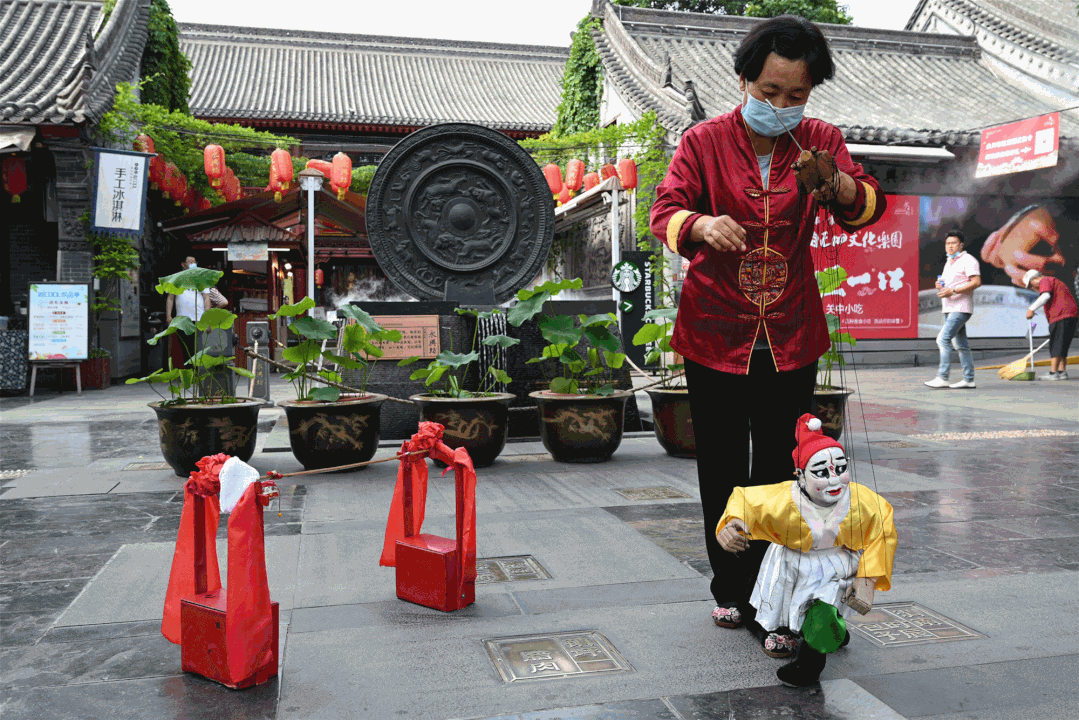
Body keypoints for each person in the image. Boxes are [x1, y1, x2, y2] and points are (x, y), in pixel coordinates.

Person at [649, 15, 887, 658]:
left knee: (786, 467)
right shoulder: (703, 141)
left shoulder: (820, 140)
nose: (781, 105)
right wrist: (701, 225)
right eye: (769, 91)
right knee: (723, 465)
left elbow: (866, 205)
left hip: (791, 326)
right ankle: (731, 587)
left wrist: (837, 183)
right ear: (745, 81)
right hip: (714, 328)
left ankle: (778, 595)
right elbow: (663, 211)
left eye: (796, 95)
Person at [716, 414, 896, 687]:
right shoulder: (783, 498)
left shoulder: (862, 499)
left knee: (822, 611)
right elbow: (745, 499)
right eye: (821, 472)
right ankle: (833, 630)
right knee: (799, 610)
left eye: (841, 469)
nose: (834, 480)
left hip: (836, 562)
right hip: (793, 563)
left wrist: (867, 577)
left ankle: (811, 663)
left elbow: (882, 530)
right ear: (800, 475)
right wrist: (731, 524)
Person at [924, 231, 981, 389]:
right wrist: (940, 285)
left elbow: (976, 282)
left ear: (961, 245)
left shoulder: (968, 260)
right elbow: (950, 284)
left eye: (953, 243)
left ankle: (943, 377)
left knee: (942, 339)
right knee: (961, 345)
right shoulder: (949, 262)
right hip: (949, 307)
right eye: (948, 243)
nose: (950, 246)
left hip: (961, 307)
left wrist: (953, 291)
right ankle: (969, 379)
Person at [1022, 269, 1077, 380]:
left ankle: (1053, 373)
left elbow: (1045, 296)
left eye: (1031, 285)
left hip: (1061, 315)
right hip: (1070, 315)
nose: (1032, 288)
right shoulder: (1053, 282)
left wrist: (1031, 309)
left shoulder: (1045, 280)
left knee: (1056, 344)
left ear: (1035, 278)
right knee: (1062, 344)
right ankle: (1061, 372)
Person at [164, 256, 208, 367]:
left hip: (199, 318)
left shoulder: (201, 278)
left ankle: (198, 373)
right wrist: (168, 315)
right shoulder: (176, 278)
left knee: (199, 349)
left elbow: (206, 298)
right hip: (182, 319)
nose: (193, 264)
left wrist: (207, 317)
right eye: (190, 262)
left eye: (195, 262)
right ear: (183, 264)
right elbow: (170, 298)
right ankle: (189, 373)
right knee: (186, 350)